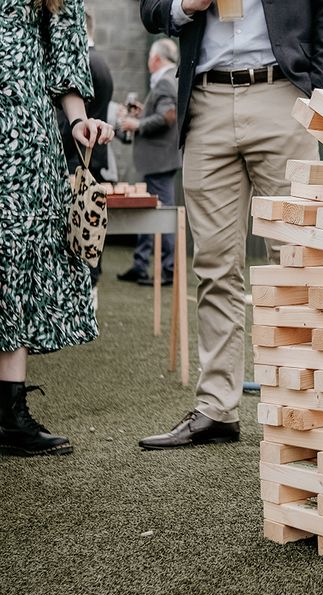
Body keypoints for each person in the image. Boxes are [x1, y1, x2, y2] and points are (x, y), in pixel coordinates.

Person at [136, 0, 323, 450]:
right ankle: (217, 407)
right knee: (213, 263)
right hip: (205, 101)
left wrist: (319, 87)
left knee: (295, 260)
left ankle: (300, 405)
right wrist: (183, 6)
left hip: (283, 94)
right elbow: (151, 8)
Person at [0, 0, 114, 457]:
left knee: (15, 257)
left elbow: (64, 55)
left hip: (24, 133)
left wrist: (78, 120)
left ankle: (9, 412)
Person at [55, 3, 115, 309]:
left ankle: (83, 292)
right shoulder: (101, 62)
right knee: (91, 227)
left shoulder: (85, 64)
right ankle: (89, 290)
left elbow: (70, 120)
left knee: (81, 227)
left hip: (78, 156)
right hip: (95, 156)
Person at [116, 38, 182, 287]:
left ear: (155, 59)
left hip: (159, 161)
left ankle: (169, 270)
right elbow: (164, 111)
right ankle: (141, 264)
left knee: (163, 214)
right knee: (149, 212)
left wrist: (137, 123)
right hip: (159, 160)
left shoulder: (164, 82)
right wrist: (143, 112)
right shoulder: (170, 80)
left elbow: (168, 116)